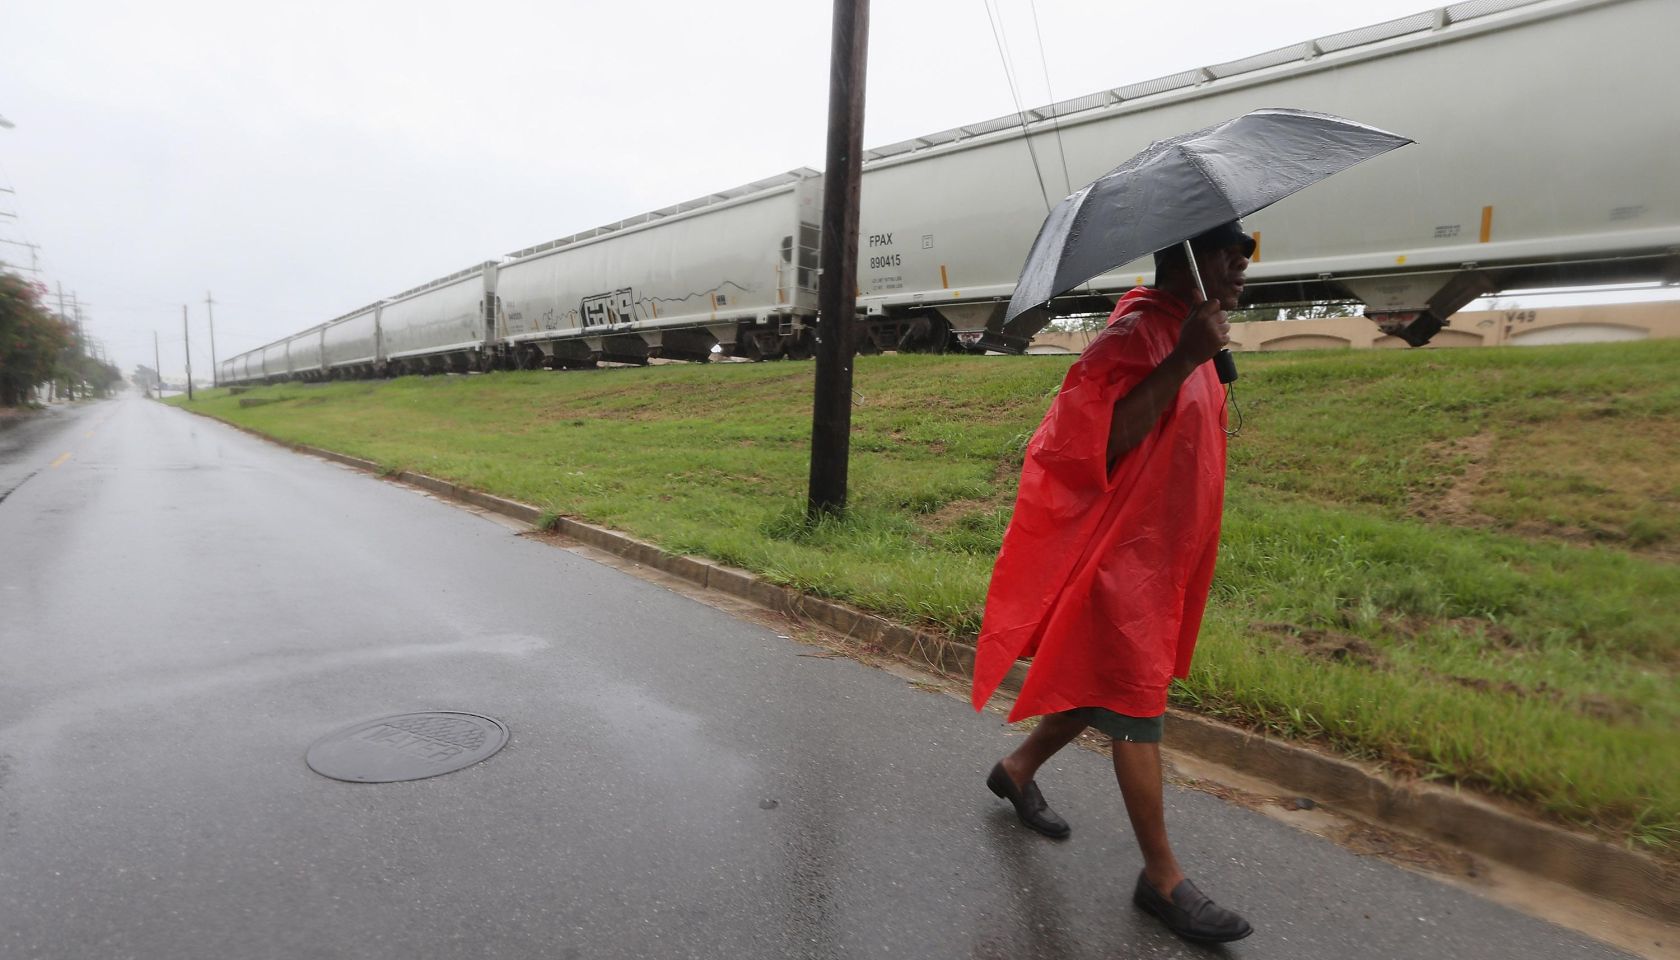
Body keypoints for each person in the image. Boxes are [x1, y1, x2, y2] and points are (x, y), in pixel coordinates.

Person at [971, 221, 1255, 943]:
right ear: (1188, 257)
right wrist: (1182, 359)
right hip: (1118, 561)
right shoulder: (1132, 338)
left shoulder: (1195, 332)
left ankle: (1017, 769)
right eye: (1232, 251)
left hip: (1161, 555)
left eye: (1247, 252)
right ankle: (1162, 878)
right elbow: (1091, 444)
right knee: (1133, 702)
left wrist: (1199, 354)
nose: (1244, 265)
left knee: (1095, 683)